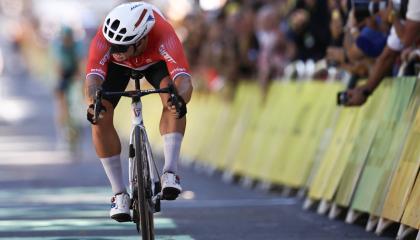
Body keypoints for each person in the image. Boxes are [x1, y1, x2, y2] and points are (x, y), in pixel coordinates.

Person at [84, 2, 193, 222]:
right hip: (117, 70)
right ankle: (118, 194)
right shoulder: (105, 39)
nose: (117, 51)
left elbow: (184, 80)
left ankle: (170, 172)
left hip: (155, 63)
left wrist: (180, 98)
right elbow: (93, 79)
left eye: (122, 47)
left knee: (172, 98)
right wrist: (94, 101)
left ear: (142, 38)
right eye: (113, 46)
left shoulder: (164, 34)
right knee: (100, 115)